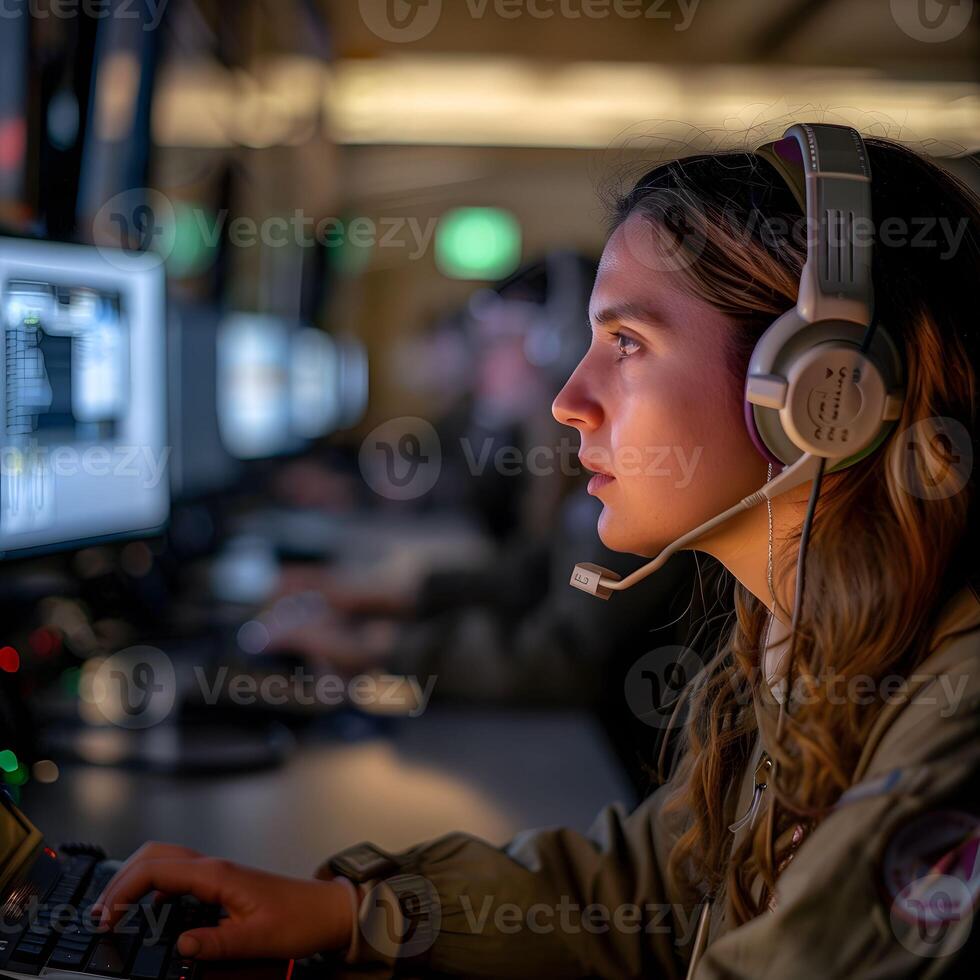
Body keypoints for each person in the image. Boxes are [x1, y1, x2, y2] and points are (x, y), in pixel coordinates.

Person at [93, 130, 980, 978]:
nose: (568, 400)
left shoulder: (951, 729)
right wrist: (359, 913)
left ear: (824, 390)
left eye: (627, 343)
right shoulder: (793, 642)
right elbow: (651, 890)